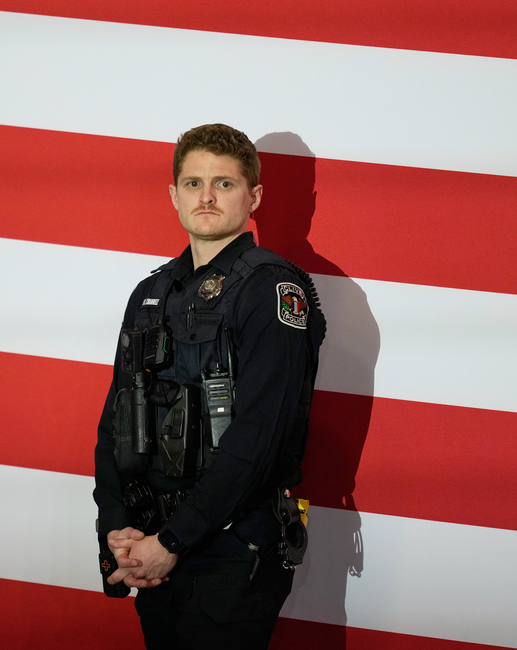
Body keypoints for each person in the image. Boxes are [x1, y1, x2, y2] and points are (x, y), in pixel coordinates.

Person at [93, 123, 326, 648]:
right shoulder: (150, 292)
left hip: (230, 547)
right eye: (194, 183)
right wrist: (116, 525)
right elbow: (116, 414)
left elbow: (260, 437)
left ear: (254, 196)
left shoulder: (272, 289)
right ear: (174, 195)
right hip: (152, 540)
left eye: (224, 183)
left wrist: (174, 540)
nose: (206, 196)